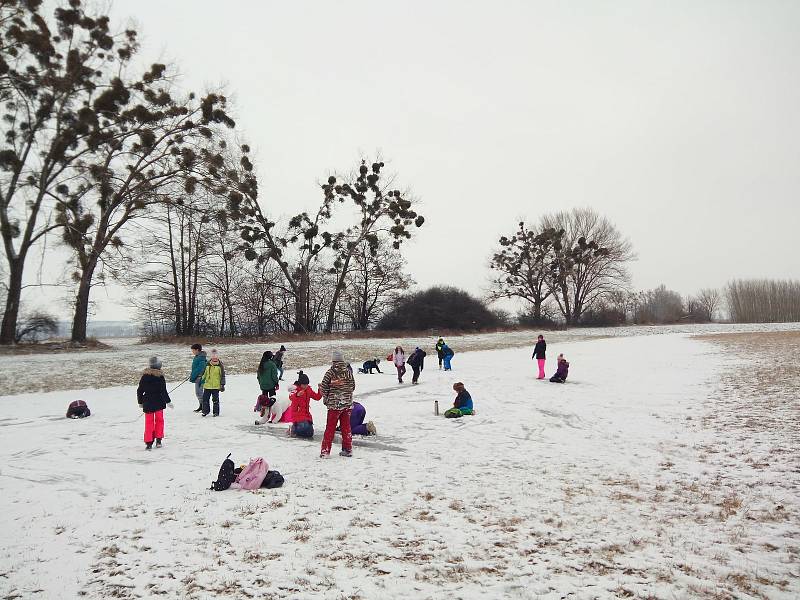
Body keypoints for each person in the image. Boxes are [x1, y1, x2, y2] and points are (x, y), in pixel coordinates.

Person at [319, 350, 356, 458]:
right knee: (346, 427)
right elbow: (353, 386)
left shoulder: (330, 372)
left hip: (334, 405)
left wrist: (326, 398)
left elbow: (324, 387)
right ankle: (348, 449)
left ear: (333, 360)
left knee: (330, 428)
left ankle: (325, 451)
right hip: (347, 404)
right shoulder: (349, 372)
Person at [137, 356, 172, 449]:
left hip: (148, 402)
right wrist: (168, 401)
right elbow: (163, 391)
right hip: (159, 402)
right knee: (159, 421)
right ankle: (158, 440)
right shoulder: (160, 376)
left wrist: (140, 401)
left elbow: (140, 390)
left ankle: (149, 443)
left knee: (149, 422)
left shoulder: (145, 376)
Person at [288, 371, 322, 438]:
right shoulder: (295, 389)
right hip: (297, 414)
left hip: (306, 415)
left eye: (306, 384)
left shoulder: (308, 389)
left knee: (309, 433)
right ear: (300, 384)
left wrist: (320, 389)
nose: (305, 386)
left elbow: (317, 397)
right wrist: (297, 395)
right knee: (302, 429)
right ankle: (293, 428)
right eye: (304, 385)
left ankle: (296, 428)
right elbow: (291, 396)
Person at [201, 349, 226, 416]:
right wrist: (200, 379)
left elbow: (222, 376)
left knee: (215, 400)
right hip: (207, 386)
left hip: (216, 386)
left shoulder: (220, 366)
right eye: (213, 355)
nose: (214, 357)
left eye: (216, 355)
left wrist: (222, 384)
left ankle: (216, 412)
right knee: (205, 399)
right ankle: (205, 411)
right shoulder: (207, 365)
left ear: (218, 356)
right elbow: (204, 374)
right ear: (211, 357)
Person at [189, 343, 207, 412]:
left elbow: (200, 369)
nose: (192, 352)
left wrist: (193, 375)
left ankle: (203, 407)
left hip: (200, 378)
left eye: (193, 350)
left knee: (199, 393)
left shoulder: (201, 358)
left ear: (197, 350)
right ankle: (201, 406)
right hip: (197, 377)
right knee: (198, 393)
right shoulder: (197, 357)